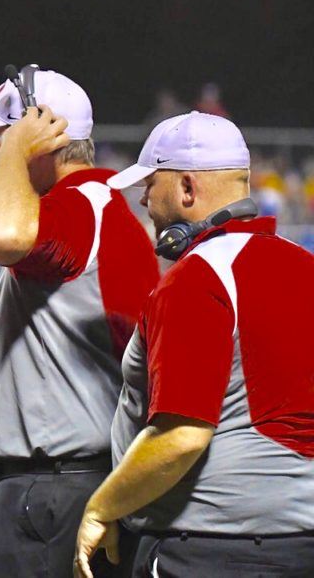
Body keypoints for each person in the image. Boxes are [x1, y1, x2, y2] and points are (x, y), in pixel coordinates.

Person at [75, 112, 314, 577]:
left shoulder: (198, 277)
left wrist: (102, 508)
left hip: (215, 545)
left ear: (186, 188)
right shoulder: (304, 264)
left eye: (150, 184)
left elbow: (182, 435)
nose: (143, 199)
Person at [0, 68, 159, 578]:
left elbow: (7, 239)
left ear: (41, 134)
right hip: (63, 486)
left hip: (50, 491)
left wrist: (17, 151)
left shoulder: (79, 203)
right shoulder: (99, 207)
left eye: (0, 136)